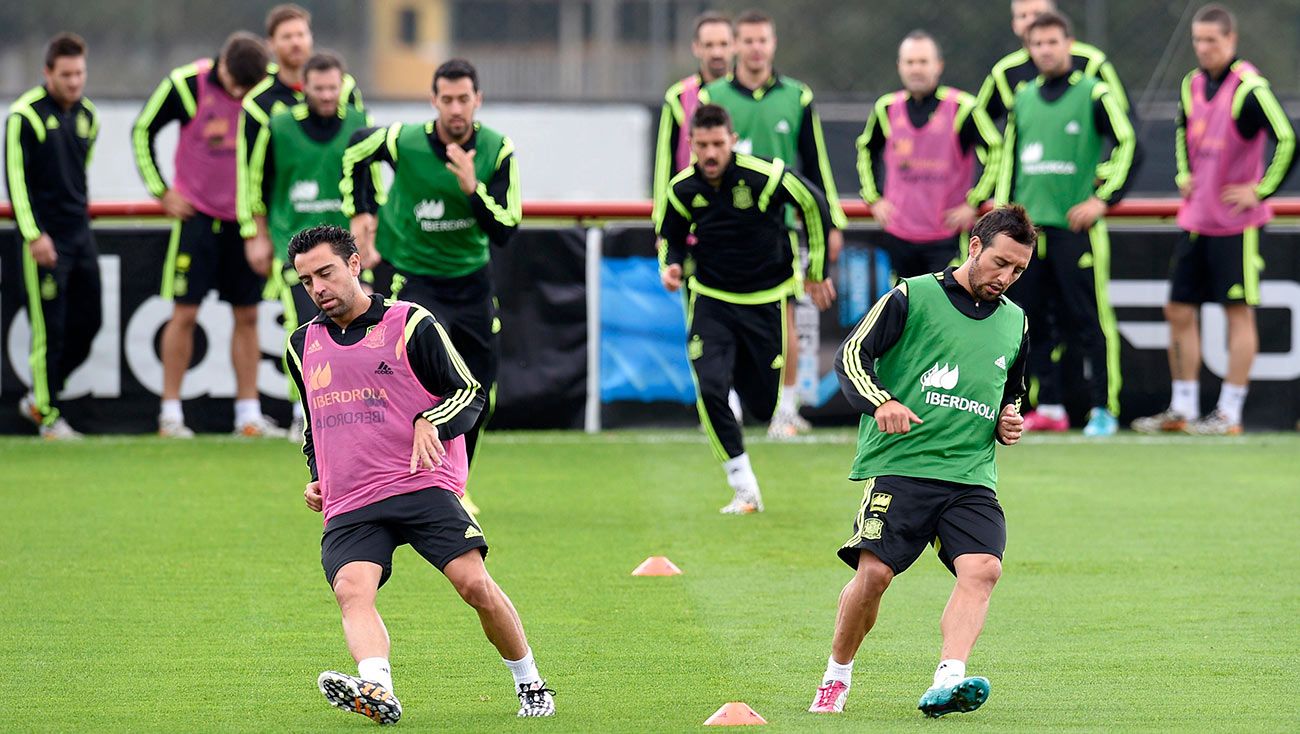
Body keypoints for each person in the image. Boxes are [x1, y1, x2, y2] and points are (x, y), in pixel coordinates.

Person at [283, 224, 555, 723]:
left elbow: (470, 393)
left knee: (474, 585)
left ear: (354, 265)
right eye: (306, 281)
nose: (317, 288)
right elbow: (313, 424)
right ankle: (377, 688)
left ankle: (530, 682)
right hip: (352, 498)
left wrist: (430, 420)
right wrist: (317, 473)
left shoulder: (410, 323)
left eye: (325, 273)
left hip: (419, 482)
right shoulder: (302, 346)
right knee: (351, 590)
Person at [808, 206, 1034, 718]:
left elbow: (1013, 392)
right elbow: (852, 355)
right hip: (903, 466)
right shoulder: (913, 294)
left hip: (970, 476)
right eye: (1000, 263)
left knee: (983, 569)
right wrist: (881, 401)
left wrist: (1009, 419)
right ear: (974, 246)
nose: (1006, 277)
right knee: (874, 577)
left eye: (1018, 270)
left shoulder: (1017, 322)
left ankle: (948, 678)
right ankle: (836, 676)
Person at [342, 58, 521, 515]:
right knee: (412, 380)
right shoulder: (404, 140)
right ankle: (400, 478)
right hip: (413, 277)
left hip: (472, 281)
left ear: (478, 100)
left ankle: (458, 484)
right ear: (433, 100)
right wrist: (363, 211)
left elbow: (505, 228)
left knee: (479, 387)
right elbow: (354, 152)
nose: (456, 109)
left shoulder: (498, 150)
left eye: (465, 99)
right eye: (447, 99)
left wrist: (472, 189)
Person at [657, 104, 834, 514]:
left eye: (719, 144)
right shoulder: (682, 188)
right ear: (692, 146)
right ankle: (743, 485)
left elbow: (814, 204)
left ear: (732, 141)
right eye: (703, 145)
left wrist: (816, 270)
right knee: (711, 389)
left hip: (765, 302)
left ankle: (750, 401)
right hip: (711, 301)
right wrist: (672, 265)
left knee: (760, 405)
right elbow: (671, 237)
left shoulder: (765, 176)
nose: (711, 153)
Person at [1132, 4, 1296, 436]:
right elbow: (1184, 129)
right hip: (1196, 219)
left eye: (1212, 41)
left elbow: (1287, 137)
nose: (1204, 49)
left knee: (1237, 313)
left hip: (1236, 225)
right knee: (1178, 309)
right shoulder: (1192, 84)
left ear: (1231, 41)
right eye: (1198, 41)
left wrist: (1260, 190)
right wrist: (1185, 173)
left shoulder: (1250, 89)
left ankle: (1230, 412)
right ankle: (1182, 407)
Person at [977, 0, 1131, 433]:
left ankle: (1104, 408)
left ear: (1069, 44)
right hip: (1031, 235)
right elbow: (1008, 159)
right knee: (1028, 320)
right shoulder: (1022, 97)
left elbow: (1128, 141)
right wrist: (1004, 214)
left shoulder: (1093, 91)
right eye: (1037, 43)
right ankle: (1051, 406)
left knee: (1087, 319)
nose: (1044, 49)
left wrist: (1103, 198)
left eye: (1052, 41)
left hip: (1074, 230)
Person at [698, 9, 847, 439]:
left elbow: (816, 164)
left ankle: (785, 409)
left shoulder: (797, 96)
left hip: (778, 228)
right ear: (735, 45)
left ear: (773, 44)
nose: (755, 48)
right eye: (747, 40)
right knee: (719, 314)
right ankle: (725, 407)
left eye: (762, 40)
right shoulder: (713, 95)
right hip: (722, 228)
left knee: (785, 317)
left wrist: (831, 222)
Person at [132, 32, 276, 438]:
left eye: (249, 90)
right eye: (235, 86)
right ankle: (171, 414)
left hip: (246, 221)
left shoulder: (269, 87)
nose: (241, 95)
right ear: (223, 65)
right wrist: (160, 190)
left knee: (248, 314)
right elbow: (142, 131)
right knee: (185, 313)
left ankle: (247, 414)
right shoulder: (185, 84)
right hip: (197, 218)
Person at [246, 52, 373, 440]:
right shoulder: (279, 126)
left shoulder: (357, 123)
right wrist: (257, 233)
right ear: (304, 87)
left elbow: (370, 183)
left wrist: (370, 233)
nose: (327, 94)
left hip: (344, 249)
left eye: (333, 87)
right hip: (295, 248)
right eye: (319, 88)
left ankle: (354, 407)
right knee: (306, 327)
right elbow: (255, 182)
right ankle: (305, 410)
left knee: (360, 327)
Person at [6, 33, 100, 440]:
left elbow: (81, 172)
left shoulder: (88, 115)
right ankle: (46, 412)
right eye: (66, 75)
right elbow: (15, 181)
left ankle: (40, 394)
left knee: (90, 320)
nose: (74, 82)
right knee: (49, 328)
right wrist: (34, 235)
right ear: (48, 73)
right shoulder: (24, 116)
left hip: (80, 233)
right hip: (45, 238)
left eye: (79, 73)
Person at [236, 3, 365, 284]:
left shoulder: (344, 88)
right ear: (271, 44)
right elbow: (250, 174)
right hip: (289, 227)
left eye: (301, 34)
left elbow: (363, 161)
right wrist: (254, 232)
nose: (296, 42)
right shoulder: (260, 103)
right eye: (287, 36)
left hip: (341, 231)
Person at [857, 30, 1002, 278]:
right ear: (899, 66)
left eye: (923, 62)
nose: (916, 69)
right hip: (899, 233)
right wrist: (874, 198)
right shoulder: (887, 108)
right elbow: (865, 149)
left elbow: (996, 151)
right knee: (905, 308)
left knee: (947, 306)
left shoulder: (962, 108)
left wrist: (974, 202)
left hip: (946, 235)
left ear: (939, 66)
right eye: (910, 62)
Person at [652, 11, 734, 228]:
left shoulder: (749, 96)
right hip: (692, 216)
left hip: (741, 214)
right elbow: (666, 163)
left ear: (734, 46)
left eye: (723, 44)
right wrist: (663, 223)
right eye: (709, 45)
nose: (717, 52)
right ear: (696, 47)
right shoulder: (678, 96)